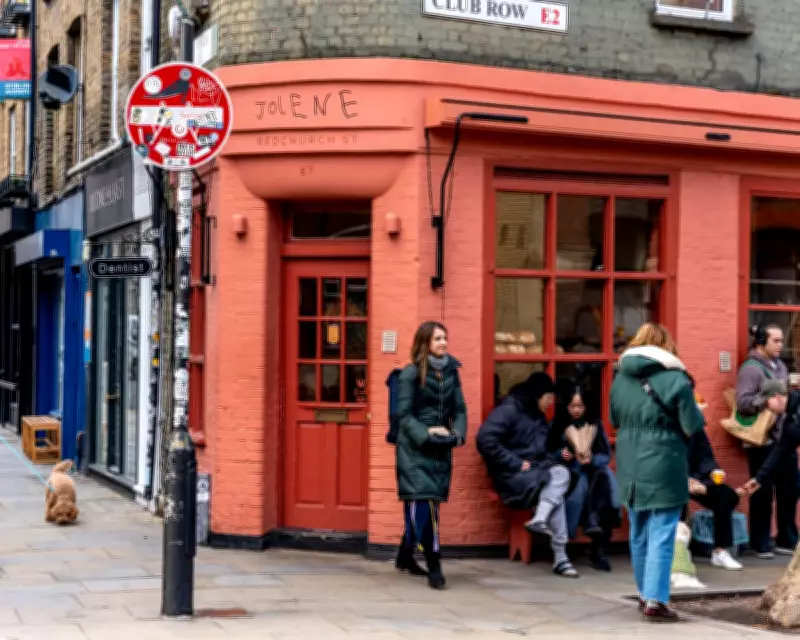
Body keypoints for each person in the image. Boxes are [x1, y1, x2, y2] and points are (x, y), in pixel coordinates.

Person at [610, 323, 706, 622]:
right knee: (663, 530)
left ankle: (644, 594)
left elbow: (614, 418)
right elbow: (691, 425)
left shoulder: (620, 378)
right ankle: (655, 600)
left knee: (638, 530)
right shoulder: (676, 378)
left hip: (629, 458)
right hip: (665, 458)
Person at [477, 372, 580, 578]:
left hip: (534, 473)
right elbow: (485, 440)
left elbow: (540, 452)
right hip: (511, 477)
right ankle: (560, 557)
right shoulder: (508, 411)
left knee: (558, 480)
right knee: (556, 489)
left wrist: (557, 456)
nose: (551, 403)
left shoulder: (538, 416)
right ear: (537, 395)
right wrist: (515, 463)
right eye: (548, 397)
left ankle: (542, 520)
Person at [395, 321, 467, 590]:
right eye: (438, 338)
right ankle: (434, 565)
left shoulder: (451, 372)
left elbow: (459, 409)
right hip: (414, 450)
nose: (443, 343)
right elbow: (404, 416)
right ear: (425, 342)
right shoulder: (410, 374)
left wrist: (457, 434)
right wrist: (427, 433)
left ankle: (405, 555)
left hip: (440, 449)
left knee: (428, 507)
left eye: (445, 337)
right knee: (423, 507)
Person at [735, 323, 798, 558]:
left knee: (790, 489)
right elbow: (743, 402)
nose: (781, 345)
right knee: (762, 492)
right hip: (762, 440)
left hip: (784, 437)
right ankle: (761, 542)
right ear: (761, 341)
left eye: (782, 340)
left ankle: (787, 538)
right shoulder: (751, 369)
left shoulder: (780, 366)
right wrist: (765, 402)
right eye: (776, 341)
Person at [552, 384, 621, 572]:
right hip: (570, 474)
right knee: (582, 488)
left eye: (580, 406)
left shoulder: (595, 424)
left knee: (606, 489)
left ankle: (599, 548)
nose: (576, 410)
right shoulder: (558, 423)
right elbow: (548, 451)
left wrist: (592, 460)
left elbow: (605, 455)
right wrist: (561, 454)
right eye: (572, 406)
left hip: (595, 472)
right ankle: (587, 526)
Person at [684, 428, 743, 570]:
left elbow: (705, 456)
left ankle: (720, 551)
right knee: (676, 500)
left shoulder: (695, 426)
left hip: (695, 478)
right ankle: (677, 549)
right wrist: (684, 480)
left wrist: (712, 472)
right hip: (667, 479)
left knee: (725, 495)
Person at [740, 381, 795, 510]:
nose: (766, 407)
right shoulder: (789, 417)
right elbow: (782, 448)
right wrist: (759, 478)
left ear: (777, 397)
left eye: (767, 402)